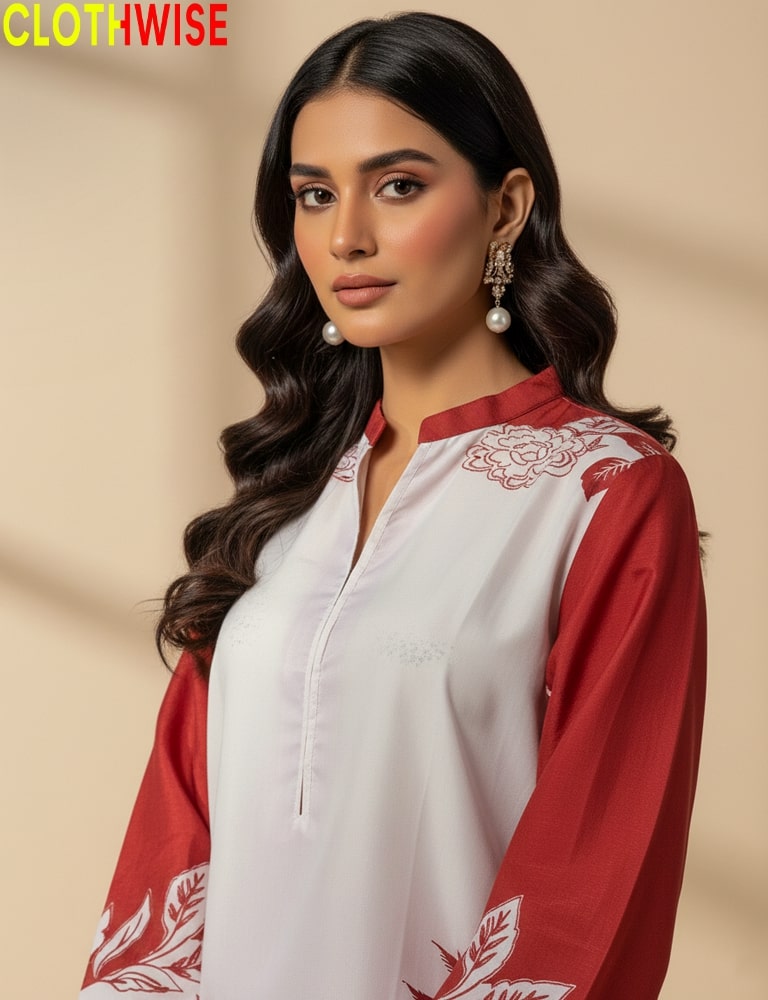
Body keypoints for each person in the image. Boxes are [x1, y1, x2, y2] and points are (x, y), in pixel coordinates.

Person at [78, 12, 706, 1000]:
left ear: (505, 208)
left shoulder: (605, 493)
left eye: (399, 185)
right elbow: (175, 847)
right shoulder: (286, 503)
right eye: (315, 194)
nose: (347, 236)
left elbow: (597, 869)